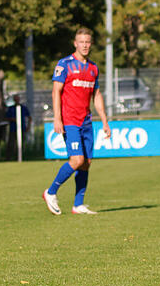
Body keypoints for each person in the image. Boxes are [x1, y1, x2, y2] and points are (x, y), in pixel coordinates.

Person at [43, 28, 111, 215]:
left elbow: (96, 95)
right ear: (75, 43)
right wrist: (57, 118)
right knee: (77, 159)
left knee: (86, 162)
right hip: (70, 120)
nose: (85, 45)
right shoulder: (64, 64)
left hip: (86, 122)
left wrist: (104, 121)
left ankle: (78, 205)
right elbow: (56, 91)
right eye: (81, 42)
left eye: (88, 42)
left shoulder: (93, 68)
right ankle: (50, 192)